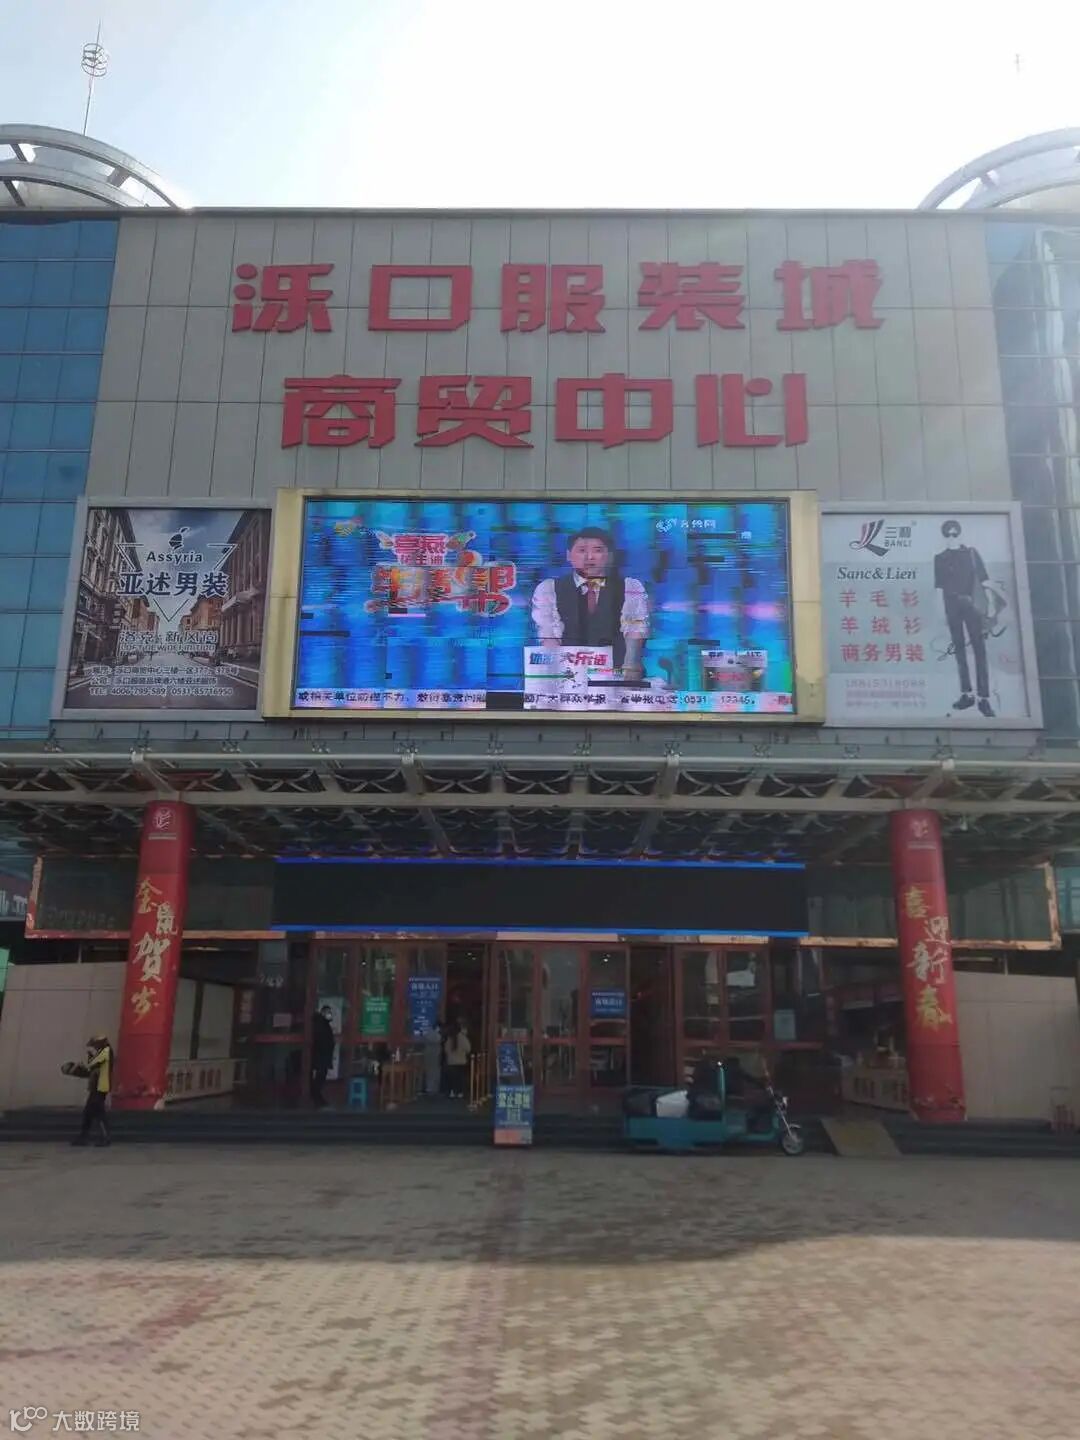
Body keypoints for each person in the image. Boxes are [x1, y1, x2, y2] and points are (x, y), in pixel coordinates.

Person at [531, 527, 650, 682]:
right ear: (569, 555)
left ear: (609, 556)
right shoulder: (549, 589)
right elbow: (548, 635)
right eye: (582, 550)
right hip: (567, 677)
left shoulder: (630, 587)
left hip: (617, 676)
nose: (589, 557)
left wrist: (630, 666)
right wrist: (560, 674)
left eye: (597, 550)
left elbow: (635, 629)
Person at [933, 519, 998, 718]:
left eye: (955, 533)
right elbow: (939, 587)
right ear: (944, 536)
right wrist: (940, 611)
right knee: (959, 651)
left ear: (959, 534)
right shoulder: (940, 558)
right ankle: (966, 694)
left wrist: (991, 604)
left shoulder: (971, 553)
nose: (951, 537)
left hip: (972, 605)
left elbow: (985, 580)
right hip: (951, 606)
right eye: (948, 534)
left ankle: (983, 698)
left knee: (979, 649)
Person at [62, 1034, 114, 1148]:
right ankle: (84, 1137)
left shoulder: (106, 1052)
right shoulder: (103, 1053)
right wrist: (78, 1071)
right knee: (88, 1113)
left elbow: (93, 1066)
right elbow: (92, 1071)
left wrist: (87, 1060)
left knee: (98, 1112)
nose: (94, 1047)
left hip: (100, 1087)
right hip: (96, 1087)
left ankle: (105, 1137)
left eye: (95, 1045)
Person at [310, 1005, 335, 1109]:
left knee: (320, 1078)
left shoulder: (324, 1024)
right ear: (323, 1013)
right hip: (321, 1057)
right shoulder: (320, 1025)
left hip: (323, 1056)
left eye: (330, 1012)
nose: (330, 1014)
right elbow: (321, 1041)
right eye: (328, 1012)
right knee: (319, 1078)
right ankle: (316, 1098)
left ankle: (318, 1098)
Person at [443, 1019, 472, 1100]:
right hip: (461, 1061)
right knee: (460, 1078)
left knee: (452, 1078)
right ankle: (460, 1092)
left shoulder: (450, 1038)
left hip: (451, 1062)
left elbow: (446, 1050)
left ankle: (452, 1092)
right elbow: (468, 1048)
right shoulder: (463, 1038)